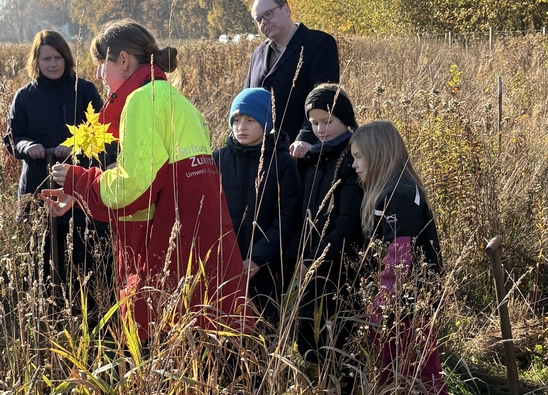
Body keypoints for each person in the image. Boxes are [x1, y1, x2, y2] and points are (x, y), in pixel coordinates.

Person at [40, 19, 249, 339]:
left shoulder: (142, 100)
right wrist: (82, 194)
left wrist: (78, 180)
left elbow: (132, 188)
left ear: (123, 61)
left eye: (100, 63)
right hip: (204, 250)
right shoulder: (171, 97)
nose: (98, 75)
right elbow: (154, 176)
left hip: (171, 253)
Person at [3, 29, 112, 311]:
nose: (53, 64)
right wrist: (29, 147)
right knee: (43, 258)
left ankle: (86, 314)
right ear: (36, 61)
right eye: (46, 58)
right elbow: (13, 138)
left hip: (79, 186)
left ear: (67, 58)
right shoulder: (25, 96)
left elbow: (99, 134)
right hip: (38, 185)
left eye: (58, 57)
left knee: (84, 257)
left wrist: (74, 148)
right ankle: (49, 315)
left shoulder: (83, 90)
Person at [351, 120, 446, 393]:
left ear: (376, 153)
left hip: (403, 307)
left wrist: (380, 307)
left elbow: (399, 257)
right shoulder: (388, 191)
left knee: (419, 374)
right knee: (393, 375)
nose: (354, 164)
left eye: (358, 156)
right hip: (399, 305)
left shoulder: (399, 195)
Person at [288, 83, 364, 364]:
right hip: (312, 254)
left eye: (328, 121)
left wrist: (321, 254)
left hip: (341, 256)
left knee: (340, 320)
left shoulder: (353, 157)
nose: (320, 129)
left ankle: (342, 372)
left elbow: (349, 219)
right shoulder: (316, 155)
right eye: (314, 122)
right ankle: (312, 369)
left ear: (345, 118)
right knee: (305, 319)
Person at [213, 88, 300, 325]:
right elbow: (208, 212)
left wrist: (258, 259)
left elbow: (288, 216)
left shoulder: (282, 163)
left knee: (263, 328)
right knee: (223, 326)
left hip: (265, 269)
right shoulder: (218, 159)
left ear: (265, 122)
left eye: (250, 120)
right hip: (223, 265)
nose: (241, 126)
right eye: (236, 120)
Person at [245, 0, 340, 159]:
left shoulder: (319, 43)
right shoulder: (257, 54)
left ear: (286, 10)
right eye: (259, 20)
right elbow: (247, 100)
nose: (264, 22)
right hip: (261, 153)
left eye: (268, 14)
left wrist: (306, 136)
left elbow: (323, 95)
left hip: (301, 151)